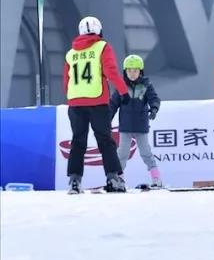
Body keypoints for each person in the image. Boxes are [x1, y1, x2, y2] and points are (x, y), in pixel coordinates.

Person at [64, 16, 129, 193]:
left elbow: (66, 81)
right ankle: (113, 178)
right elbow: (111, 72)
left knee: (78, 141)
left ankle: (74, 181)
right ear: (99, 30)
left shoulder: (71, 53)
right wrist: (124, 91)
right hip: (97, 101)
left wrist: (72, 97)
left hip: (75, 102)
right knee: (105, 140)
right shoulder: (102, 47)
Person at [109, 54, 163, 188]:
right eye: (129, 71)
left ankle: (156, 179)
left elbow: (154, 98)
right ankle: (119, 179)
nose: (132, 74)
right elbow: (113, 104)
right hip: (125, 127)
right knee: (122, 154)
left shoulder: (146, 85)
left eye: (135, 70)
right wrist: (106, 119)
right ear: (125, 71)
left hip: (141, 125)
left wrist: (154, 109)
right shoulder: (121, 86)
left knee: (146, 153)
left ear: (140, 71)